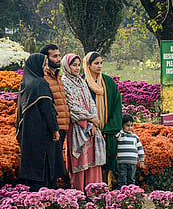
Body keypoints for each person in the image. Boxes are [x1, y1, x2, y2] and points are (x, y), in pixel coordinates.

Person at [61, 53, 105, 191]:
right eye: (74, 65)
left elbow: (91, 103)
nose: (77, 68)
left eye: (79, 65)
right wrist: (90, 119)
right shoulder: (64, 82)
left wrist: (92, 123)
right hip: (77, 128)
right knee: (80, 161)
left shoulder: (81, 82)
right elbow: (71, 107)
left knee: (92, 161)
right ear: (67, 66)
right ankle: (78, 195)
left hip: (90, 127)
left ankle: (93, 193)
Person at [16, 53, 60, 191]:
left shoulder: (25, 83)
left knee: (32, 166)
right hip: (42, 133)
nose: (46, 68)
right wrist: (54, 129)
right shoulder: (40, 84)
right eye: (44, 64)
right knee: (45, 168)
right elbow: (48, 110)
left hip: (28, 134)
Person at [83, 52, 122, 189]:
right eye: (96, 63)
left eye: (101, 63)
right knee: (89, 162)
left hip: (106, 130)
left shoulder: (109, 82)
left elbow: (117, 106)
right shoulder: (82, 83)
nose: (99, 66)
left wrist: (109, 128)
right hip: (89, 131)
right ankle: (90, 190)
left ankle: (107, 189)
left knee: (107, 161)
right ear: (88, 65)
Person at [40, 44, 71, 183]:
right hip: (53, 128)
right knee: (50, 166)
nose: (59, 59)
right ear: (46, 59)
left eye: (59, 55)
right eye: (55, 56)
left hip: (63, 126)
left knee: (57, 164)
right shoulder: (43, 77)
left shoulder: (58, 76)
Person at [116, 114, 145, 187]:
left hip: (132, 162)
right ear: (122, 125)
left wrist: (141, 160)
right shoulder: (121, 135)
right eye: (127, 125)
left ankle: (131, 193)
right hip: (122, 162)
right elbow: (116, 134)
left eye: (131, 125)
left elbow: (140, 148)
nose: (130, 128)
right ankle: (122, 194)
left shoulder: (135, 137)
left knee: (131, 179)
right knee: (122, 179)